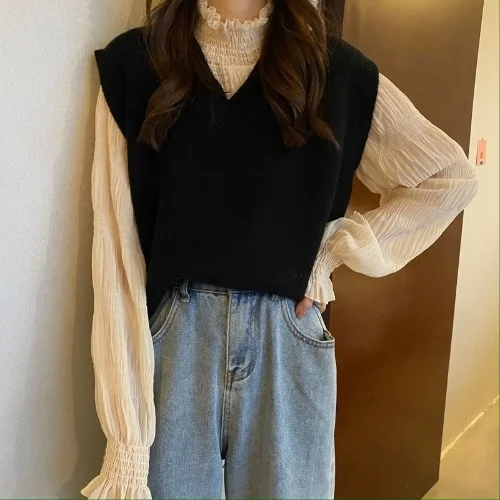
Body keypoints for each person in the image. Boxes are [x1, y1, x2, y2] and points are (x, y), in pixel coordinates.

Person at [81, 0, 479, 498]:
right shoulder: (135, 65)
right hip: (174, 342)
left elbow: (449, 178)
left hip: (286, 339)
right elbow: (117, 254)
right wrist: (127, 439)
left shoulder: (337, 72)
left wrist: (331, 253)